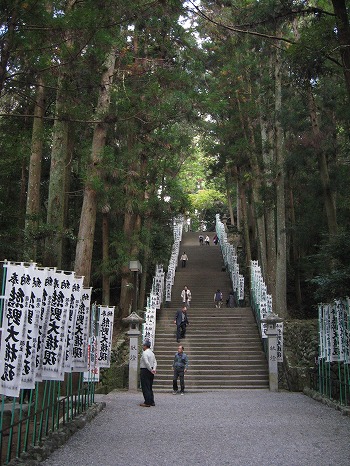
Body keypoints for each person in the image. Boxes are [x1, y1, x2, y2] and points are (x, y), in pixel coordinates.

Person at [139, 340, 157, 407]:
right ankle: (151, 401)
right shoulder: (152, 353)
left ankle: (147, 402)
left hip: (145, 370)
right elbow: (155, 361)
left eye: (143, 346)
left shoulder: (145, 353)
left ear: (145, 346)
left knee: (145, 386)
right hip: (151, 370)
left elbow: (146, 362)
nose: (143, 347)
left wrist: (150, 369)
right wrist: (154, 369)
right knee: (149, 386)